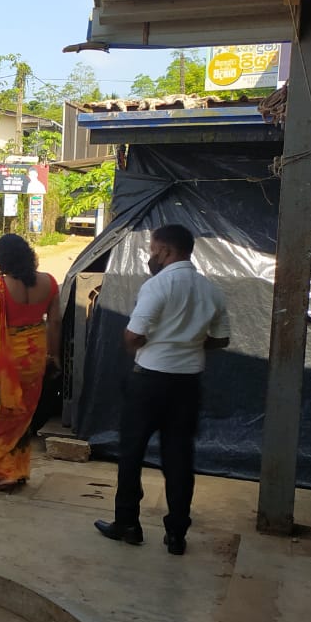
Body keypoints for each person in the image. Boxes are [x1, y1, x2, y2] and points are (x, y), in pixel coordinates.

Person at [94, 224, 229, 555]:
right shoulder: (210, 290)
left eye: (152, 251)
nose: (150, 257)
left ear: (166, 251)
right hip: (187, 385)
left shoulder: (158, 286)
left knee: (131, 453)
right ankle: (177, 534)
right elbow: (222, 338)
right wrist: (190, 343)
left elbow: (132, 336)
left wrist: (155, 344)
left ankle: (128, 524)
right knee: (180, 458)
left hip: (149, 382)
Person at [0, 233, 62, 491]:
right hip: (35, 355)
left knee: (2, 412)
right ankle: (17, 469)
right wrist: (54, 356)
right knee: (23, 414)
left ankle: (4, 469)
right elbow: (55, 323)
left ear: (1, 259)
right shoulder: (49, 283)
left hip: (8, 358)